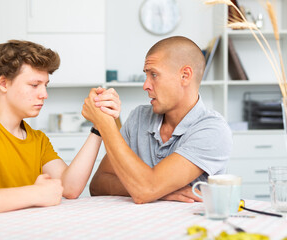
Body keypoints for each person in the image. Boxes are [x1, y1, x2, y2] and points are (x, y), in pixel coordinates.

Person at [0, 40, 120, 219]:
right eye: (34, 85)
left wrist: (98, 126)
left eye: (45, 85)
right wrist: (34, 194)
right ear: (4, 84)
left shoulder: (37, 139)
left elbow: (69, 188)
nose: (44, 94)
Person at [83, 36, 233, 204]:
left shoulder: (212, 130)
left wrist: (105, 124)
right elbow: (98, 185)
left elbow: (145, 190)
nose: (145, 85)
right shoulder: (139, 117)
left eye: (154, 74)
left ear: (185, 75)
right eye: (146, 75)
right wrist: (162, 192)